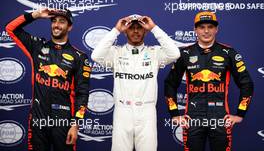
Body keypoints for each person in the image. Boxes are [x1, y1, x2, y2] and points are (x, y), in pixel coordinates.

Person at [164, 11, 254, 151]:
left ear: (216, 29)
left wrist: (240, 114)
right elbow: (170, 84)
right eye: (202, 27)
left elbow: (246, 83)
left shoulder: (228, 53)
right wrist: (174, 114)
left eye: (210, 27)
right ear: (195, 29)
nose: (206, 31)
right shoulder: (185, 54)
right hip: (193, 118)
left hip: (220, 118)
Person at [91, 14, 180, 151]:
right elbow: (96, 55)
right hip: (122, 111)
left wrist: (154, 28)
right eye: (131, 28)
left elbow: (175, 53)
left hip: (147, 111)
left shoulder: (154, 53)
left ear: (145, 30)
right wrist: (116, 30)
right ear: (125, 30)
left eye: (140, 27)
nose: (136, 31)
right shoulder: (116, 53)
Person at [5, 8, 91, 151]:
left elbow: (82, 94)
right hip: (38, 119)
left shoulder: (80, 57)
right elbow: (10, 28)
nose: (56, 25)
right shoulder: (37, 46)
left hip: (63, 122)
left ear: (70, 27)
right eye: (54, 21)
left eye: (62, 22)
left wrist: (76, 124)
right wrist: (36, 15)